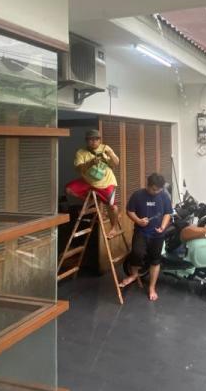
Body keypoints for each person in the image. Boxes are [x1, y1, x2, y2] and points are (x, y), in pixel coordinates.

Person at [120, 173, 173, 301]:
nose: (156, 192)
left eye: (159, 189)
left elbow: (167, 213)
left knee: (155, 260)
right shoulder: (137, 195)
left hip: (157, 234)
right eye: (154, 189)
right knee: (136, 253)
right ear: (148, 185)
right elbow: (129, 211)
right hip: (141, 232)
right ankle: (134, 275)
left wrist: (163, 226)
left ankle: (152, 287)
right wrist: (138, 221)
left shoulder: (164, 196)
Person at [65, 129, 121, 238]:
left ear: (100, 140)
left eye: (96, 139)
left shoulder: (105, 148)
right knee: (69, 189)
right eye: (91, 139)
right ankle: (93, 200)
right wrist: (90, 163)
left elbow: (116, 163)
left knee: (112, 207)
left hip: (106, 183)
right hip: (89, 182)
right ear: (86, 141)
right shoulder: (81, 152)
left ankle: (114, 228)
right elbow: (78, 168)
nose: (94, 142)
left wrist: (110, 154)